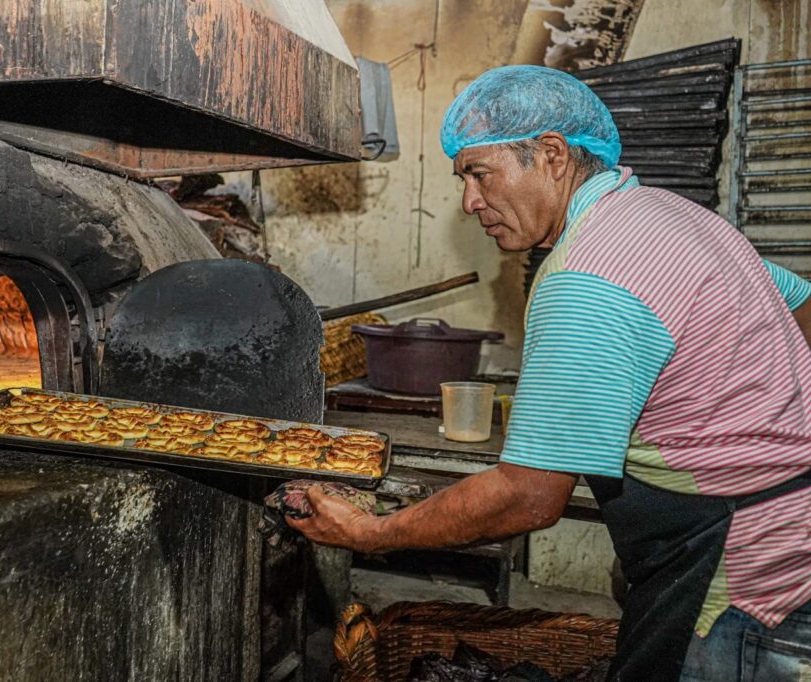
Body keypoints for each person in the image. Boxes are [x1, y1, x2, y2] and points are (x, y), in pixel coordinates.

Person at [288, 65, 811, 681]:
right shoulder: (671, 214)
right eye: (464, 179)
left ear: (553, 155)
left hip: (753, 577)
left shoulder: (586, 277)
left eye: (479, 174)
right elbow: (799, 304)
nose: (469, 201)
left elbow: (530, 496)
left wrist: (373, 532)